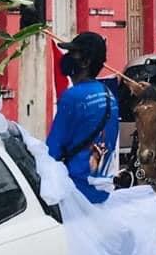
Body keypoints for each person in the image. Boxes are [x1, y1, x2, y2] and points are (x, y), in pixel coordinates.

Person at [47, 32, 119, 204]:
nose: (67, 57)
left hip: (76, 193)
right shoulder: (108, 95)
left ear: (86, 62)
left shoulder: (73, 97)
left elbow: (51, 152)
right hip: (102, 191)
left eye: (73, 54)